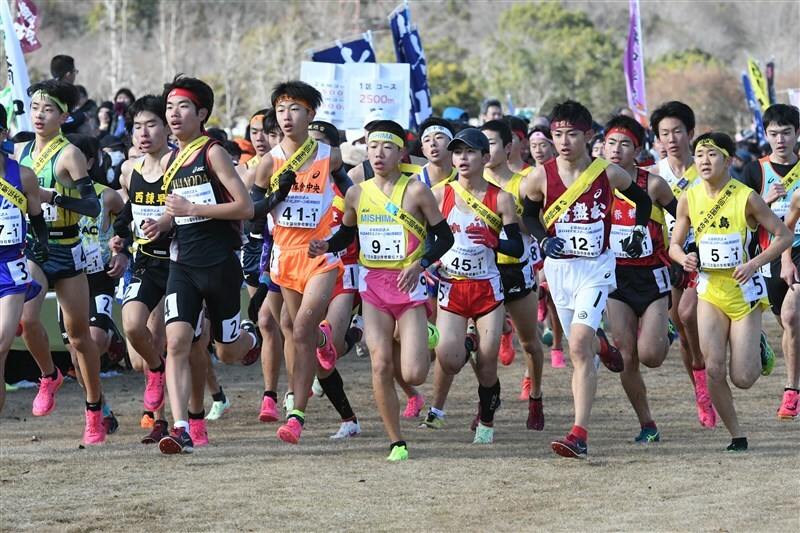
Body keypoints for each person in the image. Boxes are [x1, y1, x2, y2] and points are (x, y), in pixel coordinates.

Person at [309, 119, 454, 460]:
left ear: (401, 153)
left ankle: (424, 334)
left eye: (387, 147)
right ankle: (397, 442)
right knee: (380, 365)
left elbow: (444, 237)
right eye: (372, 147)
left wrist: (420, 263)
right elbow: (346, 234)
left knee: (414, 372)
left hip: (409, 286)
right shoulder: (357, 193)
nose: (378, 154)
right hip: (374, 289)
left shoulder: (416, 190)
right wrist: (326, 246)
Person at [522, 99, 652, 459]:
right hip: (560, 271)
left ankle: (578, 433)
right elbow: (529, 215)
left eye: (573, 134)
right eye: (558, 134)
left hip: (595, 270)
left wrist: (639, 229)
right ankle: (603, 346)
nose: (564, 142)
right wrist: (544, 239)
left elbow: (641, 201)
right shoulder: (538, 176)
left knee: (577, 346)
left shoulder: (607, 173)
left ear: (588, 135)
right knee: (585, 345)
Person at [140, 75, 258, 454]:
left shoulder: (213, 152)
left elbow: (245, 207)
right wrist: (163, 221)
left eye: (183, 107)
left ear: (202, 113)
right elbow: (178, 211)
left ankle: (250, 336)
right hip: (183, 265)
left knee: (226, 352)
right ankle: (180, 428)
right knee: (176, 342)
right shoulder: (171, 159)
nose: (174, 115)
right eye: (170, 108)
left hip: (221, 265)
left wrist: (194, 209)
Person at [669, 132, 791, 452]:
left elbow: (783, 236)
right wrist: (686, 258)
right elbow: (674, 246)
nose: (705, 160)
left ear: (729, 161)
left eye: (712, 154)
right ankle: (736, 435)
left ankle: (758, 347)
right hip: (710, 290)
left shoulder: (747, 196)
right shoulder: (689, 198)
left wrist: (754, 264)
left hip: (744, 291)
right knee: (713, 367)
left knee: (744, 378)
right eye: (700, 155)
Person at [251, 80, 344, 444]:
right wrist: (277, 192)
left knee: (301, 329)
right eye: (280, 111)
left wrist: (345, 228)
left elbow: (351, 190)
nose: (286, 118)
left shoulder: (328, 155)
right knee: (296, 332)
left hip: (319, 254)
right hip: (285, 258)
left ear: (311, 114)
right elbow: (253, 215)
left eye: (295, 110)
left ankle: (296, 416)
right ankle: (299, 408)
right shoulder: (267, 163)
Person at [15, 81, 105, 444]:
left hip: (68, 249)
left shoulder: (69, 154)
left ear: (64, 116)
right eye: (35, 107)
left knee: (80, 338)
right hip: (34, 246)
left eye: (48, 109)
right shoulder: (20, 150)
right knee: (26, 318)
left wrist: (53, 196)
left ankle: (95, 409)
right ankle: (49, 375)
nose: (39, 114)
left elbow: (92, 206)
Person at [426, 128, 524, 444]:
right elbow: (427, 236)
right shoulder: (440, 194)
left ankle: (487, 419)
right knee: (449, 359)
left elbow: (517, 248)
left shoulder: (502, 198)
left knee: (487, 362)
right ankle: (468, 340)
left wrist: (496, 241)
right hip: (452, 287)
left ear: (486, 157)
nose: (462, 158)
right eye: (457, 153)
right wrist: (427, 261)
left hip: (488, 291)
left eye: (470, 152)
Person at [602, 115, 677, 443]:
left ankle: (667, 329)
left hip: (652, 276)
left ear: (638, 150)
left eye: (625, 144)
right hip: (616, 278)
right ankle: (647, 423)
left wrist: (680, 251)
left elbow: (683, 219)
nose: (616, 150)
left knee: (651, 356)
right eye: (611, 143)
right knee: (626, 355)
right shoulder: (595, 186)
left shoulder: (653, 185)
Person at [58, 133, 128, 434]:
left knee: (94, 342)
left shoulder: (107, 195)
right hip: (69, 278)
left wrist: (120, 250)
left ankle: (110, 336)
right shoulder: (52, 194)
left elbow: (129, 224)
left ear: (87, 163)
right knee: (76, 350)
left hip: (99, 276)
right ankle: (102, 408)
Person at [649, 101, 713, 427]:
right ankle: (701, 392)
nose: (671, 139)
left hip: (706, 256)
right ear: (657, 139)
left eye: (677, 132)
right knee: (686, 336)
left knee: (688, 314)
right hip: (671, 259)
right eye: (664, 134)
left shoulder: (706, 169)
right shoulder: (653, 176)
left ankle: (750, 337)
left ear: (690, 133)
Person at [480, 120, 546, 430]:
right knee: (479, 346)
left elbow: (539, 224)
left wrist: (509, 216)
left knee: (530, 343)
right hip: (481, 272)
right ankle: (486, 403)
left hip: (517, 270)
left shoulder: (523, 184)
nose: (484, 150)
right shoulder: (468, 182)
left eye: (491, 143)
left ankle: (535, 396)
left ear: (509, 148)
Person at [115, 95, 173, 441]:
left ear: (166, 127)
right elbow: (127, 214)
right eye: (137, 127)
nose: (144, 133)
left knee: (173, 341)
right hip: (146, 263)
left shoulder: (179, 166)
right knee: (134, 328)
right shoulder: (132, 171)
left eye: (151, 125)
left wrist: (166, 222)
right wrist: (119, 239)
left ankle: (175, 420)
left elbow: (194, 213)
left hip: (181, 263)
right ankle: (156, 371)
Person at [737, 103, 800, 419]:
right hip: (768, 257)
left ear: (796, 134)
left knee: (790, 317)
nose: (780, 140)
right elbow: (742, 219)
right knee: (789, 326)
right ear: (765, 135)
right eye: (774, 133)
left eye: (786, 133)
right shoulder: (754, 171)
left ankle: (791, 392)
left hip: (798, 252)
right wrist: (766, 201)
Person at [0, 108, 48, 413]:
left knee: (0, 345)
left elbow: (36, 217)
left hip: (11, 269)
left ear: (3, 134)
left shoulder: (23, 175)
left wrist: (41, 244)